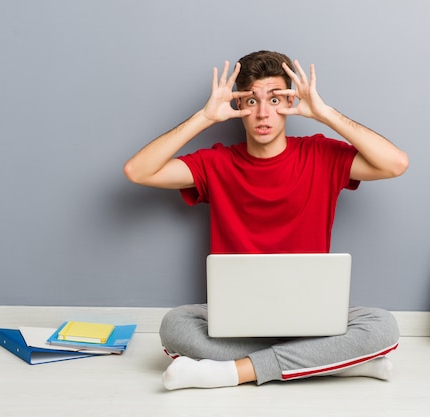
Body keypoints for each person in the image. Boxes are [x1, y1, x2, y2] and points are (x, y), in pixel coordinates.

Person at [123, 50, 409, 390]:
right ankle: (329, 362)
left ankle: (231, 372)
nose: (263, 113)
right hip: (237, 320)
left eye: (275, 99)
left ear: (290, 101)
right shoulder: (216, 163)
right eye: (251, 101)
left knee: (382, 325)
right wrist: (204, 117)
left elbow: (395, 164)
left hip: (309, 318)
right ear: (239, 107)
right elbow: (137, 171)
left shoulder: (320, 155)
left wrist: (325, 113)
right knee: (175, 325)